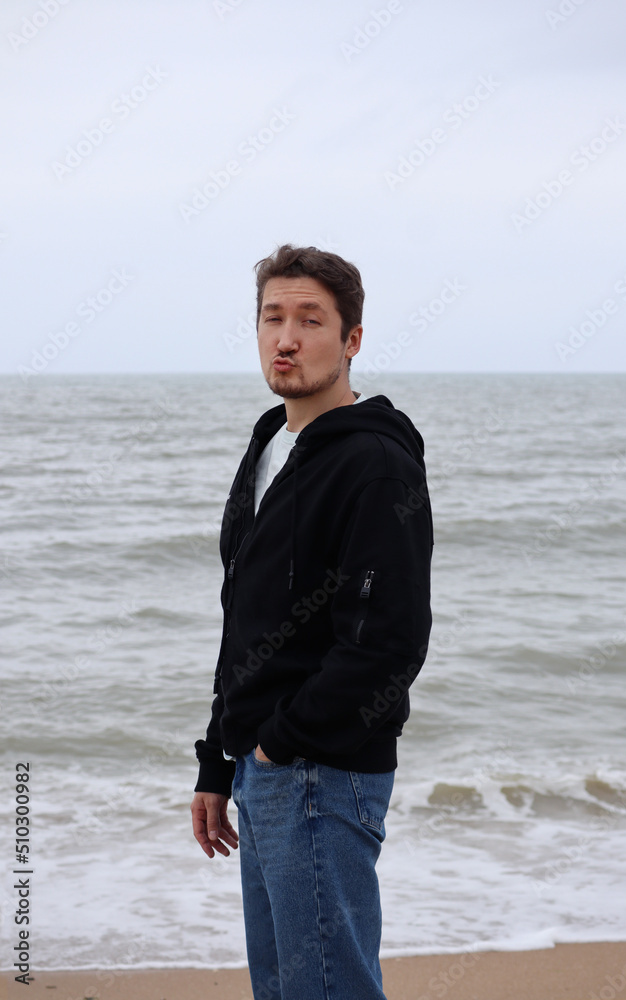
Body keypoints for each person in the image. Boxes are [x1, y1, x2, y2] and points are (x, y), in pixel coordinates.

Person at [191, 244, 433, 1000]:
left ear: (351, 339)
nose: (286, 338)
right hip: (265, 770)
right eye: (272, 318)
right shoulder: (271, 443)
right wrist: (219, 756)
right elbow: (248, 621)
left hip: (320, 773)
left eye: (310, 320)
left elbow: (389, 640)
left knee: (328, 991)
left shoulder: (374, 462)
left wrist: (278, 743)